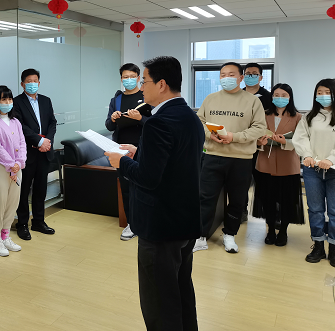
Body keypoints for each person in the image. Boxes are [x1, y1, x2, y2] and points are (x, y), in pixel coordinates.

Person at [105, 56, 204, 331]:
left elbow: (148, 178)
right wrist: (139, 152)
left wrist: (122, 162)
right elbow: (176, 161)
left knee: (160, 303)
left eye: (144, 82)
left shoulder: (157, 122)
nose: (140, 87)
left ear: (161, 84)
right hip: (184, 221)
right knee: (181, 292)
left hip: (160, 227)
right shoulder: (189, 116)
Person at [194, 62, 266, 254]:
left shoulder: (252, 101)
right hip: (212, 156)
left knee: (237, 200)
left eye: (231, 74)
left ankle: (229, 235)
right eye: (223, 75)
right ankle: (200, 236)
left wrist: (234, 137)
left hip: (240, 158)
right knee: (205, 198)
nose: (226, 78)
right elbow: (199, 121)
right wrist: (210, 134)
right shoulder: (210, 99)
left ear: (241, 78)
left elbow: (259, 127)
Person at [252, 84, 305, 247]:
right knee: (267, 199)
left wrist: (285, 142)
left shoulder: (298, 117)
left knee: (287, 200)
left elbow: (302, 142)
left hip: (288, 164)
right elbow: (254, 136)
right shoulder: (263, 114)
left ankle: (283, 231)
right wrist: (259, 142)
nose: (279, 98)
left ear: (290, 97)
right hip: (265, 163)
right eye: (276, 95)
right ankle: (270, 230)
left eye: (284, 95)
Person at [105, 63, 152, 241]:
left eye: (132, 77)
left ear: (139, 78)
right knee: (126, 188)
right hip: (121, 149)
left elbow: (156, 124)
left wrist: (140, 118)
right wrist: (113, 118)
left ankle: (147, 222)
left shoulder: (147, 96)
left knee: (145, 186)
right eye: (125, 77)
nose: (129, 80)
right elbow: (109, 126)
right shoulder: (116, 100)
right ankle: (131, 224)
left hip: (143, 148)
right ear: (121, 79)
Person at [292, 78, 335, 266]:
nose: (323, 96)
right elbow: (301, 138)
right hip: (312, 170)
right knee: (316, 210)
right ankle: (318, 246)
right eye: (319, 92)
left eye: (327, 92)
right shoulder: (309, 116)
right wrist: (307, 155)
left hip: (333, 170)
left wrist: (331, 159)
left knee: (334, 212)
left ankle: (333, 247)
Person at [13, 68, 57, 240]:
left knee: (41, 189)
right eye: (28, 81)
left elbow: (52, 122)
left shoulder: (46, 100)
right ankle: (22, 224)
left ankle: (38, 221)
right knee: (24, 190)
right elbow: (20, 126)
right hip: (27, 152)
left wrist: (48, 141)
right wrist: (39, 141)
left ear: (39, 82)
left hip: (44, 152)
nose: (32, 84)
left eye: (35, 81)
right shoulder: (16, 102)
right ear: (22, 84)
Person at [0, 86, 27, 257]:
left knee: (12, 203)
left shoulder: (16, 122)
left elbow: (22, 144)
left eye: (9, 99)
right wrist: (11, 164)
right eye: (4, 99)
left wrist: (19, 163)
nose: (7, 102)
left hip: (16, 169)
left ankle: (6, 236)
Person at [241, 62, 271, 223]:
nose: (250, 76)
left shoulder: (268, 97)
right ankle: (241, 211)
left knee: (264, 182)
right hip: (242, 145)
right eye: (247, 73)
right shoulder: (237, 95)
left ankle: (269, 214)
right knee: (242, 181)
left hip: (263, 146)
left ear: (260, 77)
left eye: (254, 74)